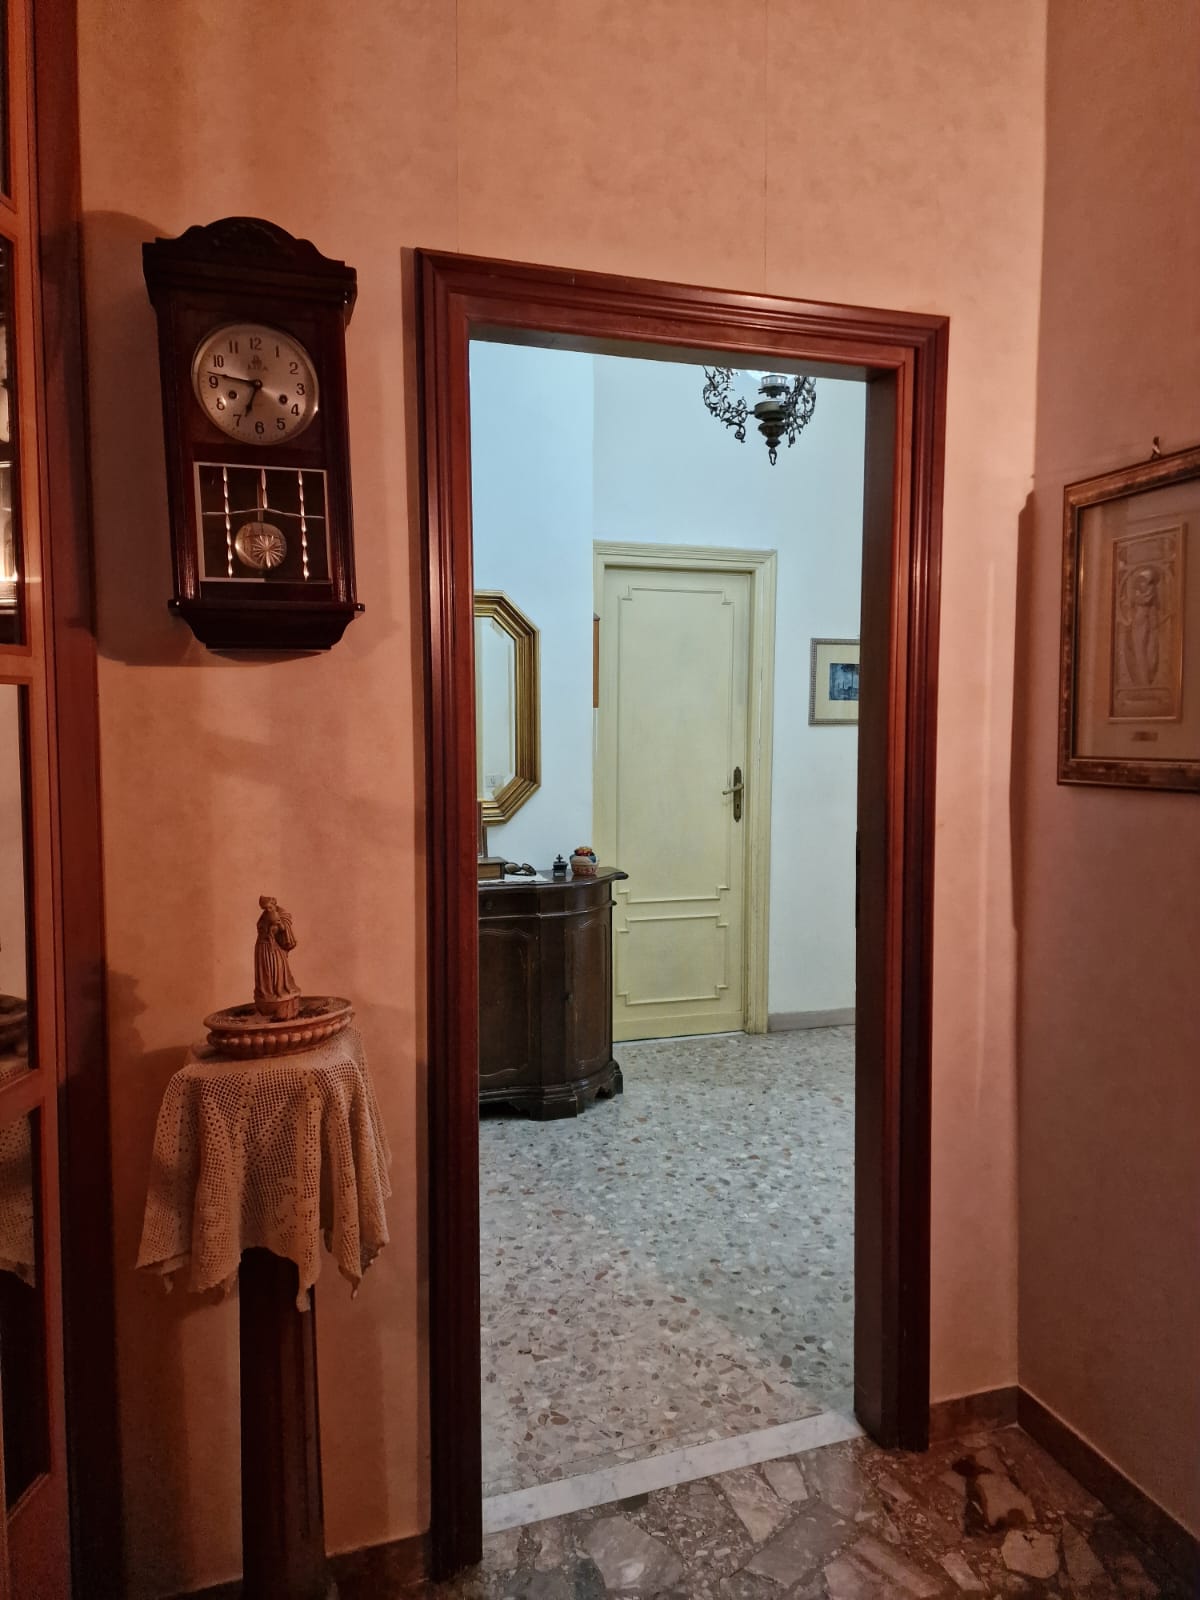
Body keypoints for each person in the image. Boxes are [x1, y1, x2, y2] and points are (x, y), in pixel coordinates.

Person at [253, 895, 301, 1018]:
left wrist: (278, 925)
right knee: (265, 973)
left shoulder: (281, 914)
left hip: (274, 948)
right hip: (262, 948)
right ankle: (267, 993)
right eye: (264, 908)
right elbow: (261, 929)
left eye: (269, 907)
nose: (267, 910)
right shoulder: (263, 916)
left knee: (278, 970)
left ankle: (280, 991)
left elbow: (284, 928)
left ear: (274, 905)